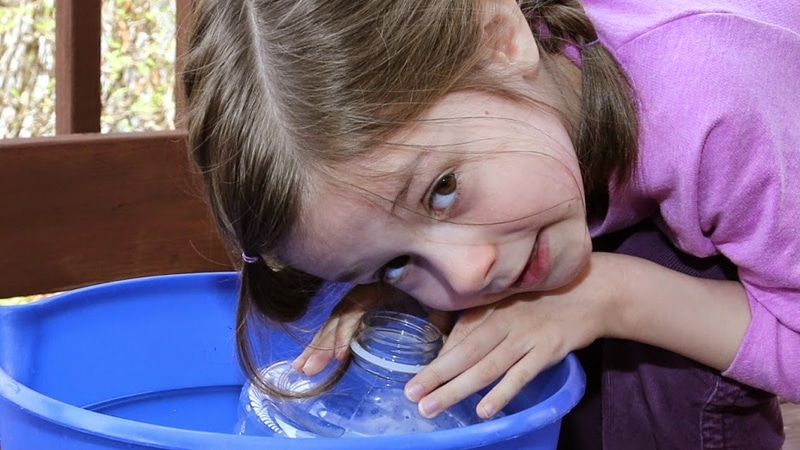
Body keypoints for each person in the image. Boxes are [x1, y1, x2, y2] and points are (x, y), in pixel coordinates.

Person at [182, 0, 799, 447]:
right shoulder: (496, 108)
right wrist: (398, 298)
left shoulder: (721, 107)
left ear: (503, 36)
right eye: (396, 261)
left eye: (443, 190)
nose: (468, 272)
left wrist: (612, 298)